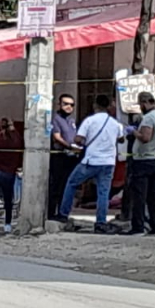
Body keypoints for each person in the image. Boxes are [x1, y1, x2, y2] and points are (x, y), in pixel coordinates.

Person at [56, 95, 122, 234]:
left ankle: (63, 214)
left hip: (91, 161)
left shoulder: (89, 121)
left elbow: (79, 139)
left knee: (72, 183)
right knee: (103, 193)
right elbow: (121, 139)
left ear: (95, 106)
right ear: (109, 106)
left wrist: (82, 142)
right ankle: (100, 222)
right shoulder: (115, 123)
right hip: (108, 162)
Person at [124, 91, 155, 236]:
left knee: (139, 196)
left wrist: (133, 131)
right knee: (154, 197)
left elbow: (145, 138)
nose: (140, 107)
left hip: (143, 161)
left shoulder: (149, 118)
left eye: (140, 104)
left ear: (144, 103)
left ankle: (138, 227)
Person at [48, 93, 79, 220]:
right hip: (59, 156)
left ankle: (62, 213)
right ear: (59, 104)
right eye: (65, 104)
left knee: (67, 186)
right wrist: (69, 146)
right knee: (56, 186)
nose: (69, 107)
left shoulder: (71, 121)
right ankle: (51, 213)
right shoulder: (55, 119)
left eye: (71, 105)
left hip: (71, 157)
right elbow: (57, 137)